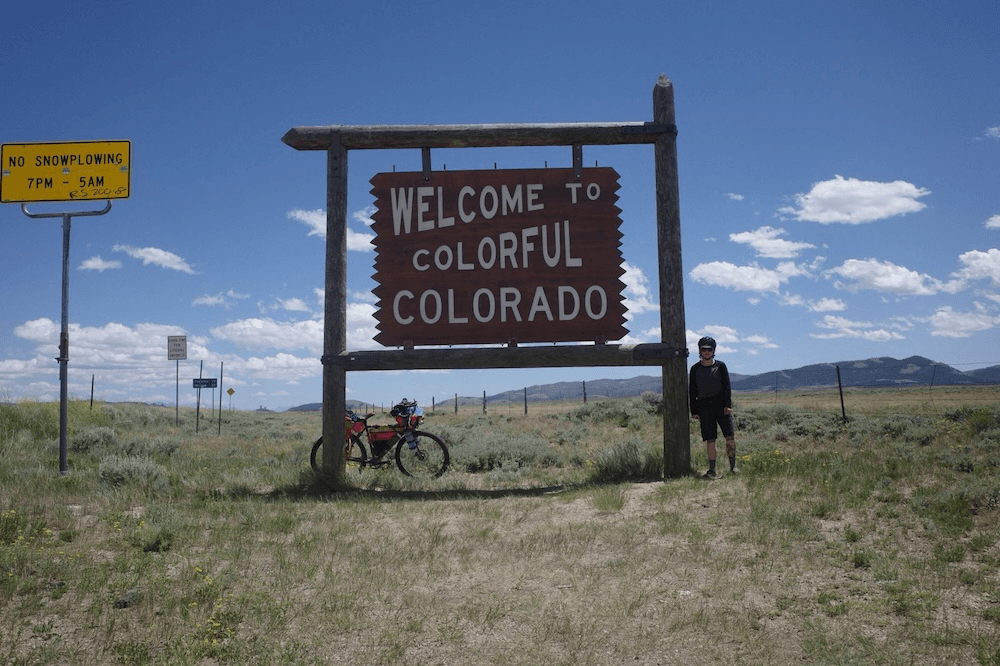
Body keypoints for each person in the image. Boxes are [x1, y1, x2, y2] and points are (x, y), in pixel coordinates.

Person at [689, 336, 737, 479]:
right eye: (704, 349)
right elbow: (692, 391)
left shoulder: (720, 366)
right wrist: (694, 411)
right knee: (710, 439)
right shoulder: (695, 369)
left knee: (729, 437)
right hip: (704, 406)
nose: (706, 352)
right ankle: (712, 470)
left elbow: (727, 387)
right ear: (700, 350)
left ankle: (733, 467)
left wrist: (728, 405)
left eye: (709, 349)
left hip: (721, 406)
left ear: (713, 350)